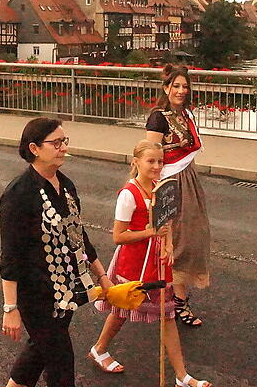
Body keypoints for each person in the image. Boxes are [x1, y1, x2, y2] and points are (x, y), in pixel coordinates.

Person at [0, 117, 113, 387]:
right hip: (37, 296)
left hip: (67, 289)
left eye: (64, 141)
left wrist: (102, 276)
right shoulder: (19, 194)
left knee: (39, 351)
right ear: (35, 148)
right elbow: (10, 256)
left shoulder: (66, 185)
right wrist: (10, 308)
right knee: (61, 362)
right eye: (56, 143)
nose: (63, 147)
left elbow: (79, 236)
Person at [89, 140, 212, 386]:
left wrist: (168, 245)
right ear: (136, 162)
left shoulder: (161, 188)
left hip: (158, 262)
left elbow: (166, 224)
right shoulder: (128, 194)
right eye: (151, 161)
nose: (157, 166)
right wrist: (150, 233)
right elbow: (118, 236)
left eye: (160, 161)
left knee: (167, 316)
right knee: (121, 310)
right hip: (133, 264)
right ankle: (99, 349)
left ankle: (181, 376)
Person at [145, 65, 209, 327]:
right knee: (177, 240)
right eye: (176, 86)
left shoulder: (186, 114)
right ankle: (178, 301)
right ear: (166, 88)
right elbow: (150, 154)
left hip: (188, 179)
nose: (181, 91)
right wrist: (152, 188)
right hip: (169, 183)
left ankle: (174, 294)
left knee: (193, 236)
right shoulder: (158, 118)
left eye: (185, 86)